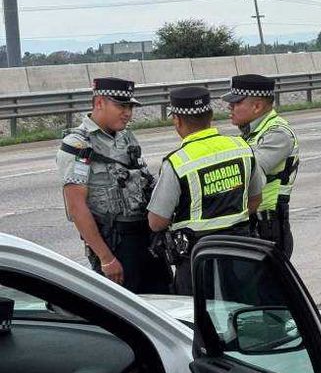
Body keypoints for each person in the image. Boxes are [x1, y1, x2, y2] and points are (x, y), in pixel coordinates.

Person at [55, 77, 172, 293]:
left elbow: (145, 181)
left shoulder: (126, 137)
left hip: (146, 239)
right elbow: (76, 208)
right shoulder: (79, 144)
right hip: (115, 243)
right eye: (121, 105)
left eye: (130, 107)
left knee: (166, 302)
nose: (127, 113)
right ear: (99, 102)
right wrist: (106, 258)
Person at [147, 86, 264, 295]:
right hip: (241, 254)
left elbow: (157, 222)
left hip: (198, 261)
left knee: (197, 321)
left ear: (177, 120)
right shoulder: (241, 147)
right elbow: (255, 200)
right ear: (210, 115)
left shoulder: (177, 162)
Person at [222, 74, 299, 257]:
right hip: (254, 225)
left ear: (257, 106)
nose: (230, 107)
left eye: (236, 103)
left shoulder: (278, 134)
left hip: (269, 228)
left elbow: (247, 171)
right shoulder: (252, 133)